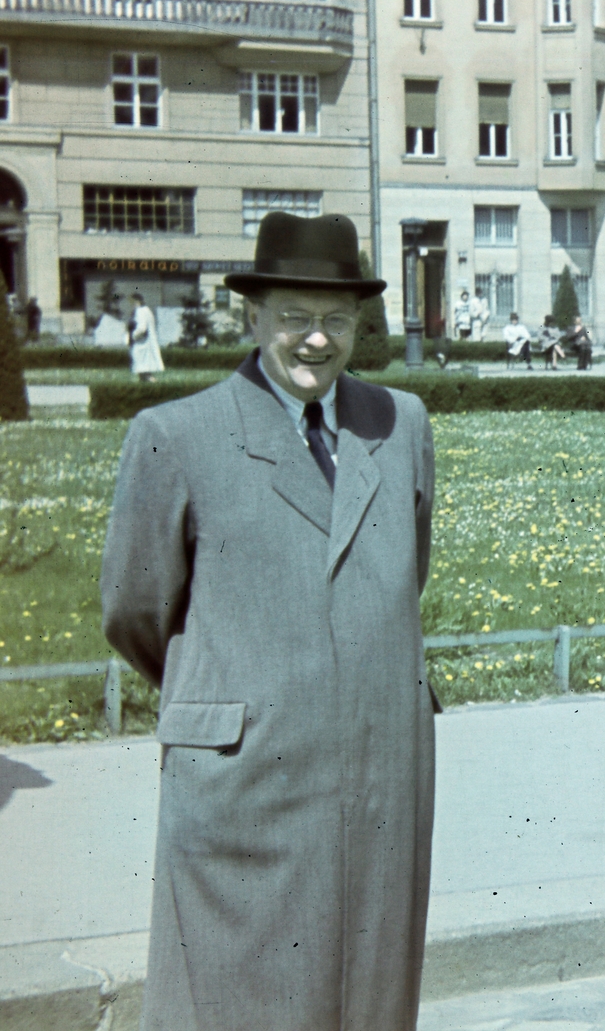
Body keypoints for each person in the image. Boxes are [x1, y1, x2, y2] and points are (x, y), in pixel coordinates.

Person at [99, 212, 437, 1031]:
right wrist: (239, 692)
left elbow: (402, 578)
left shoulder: (401, 426)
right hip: (243, 788)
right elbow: (135, 613)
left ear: (360, 324)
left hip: (377, 775)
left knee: (366, 995)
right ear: (252, 318)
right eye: (293, 317)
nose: (315, 340)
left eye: (335, 320)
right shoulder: (173, 437)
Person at [128, 292, 164, 382]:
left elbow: (141, 328)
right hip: (146, 342)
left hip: (142, 343)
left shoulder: (140, 311)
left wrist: (133, 335)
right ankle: (145, 383)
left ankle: (151, 383)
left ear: (137, 302)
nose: (131, 305)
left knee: (143, 368)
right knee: (144, 370)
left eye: (132, 303)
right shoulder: (147, 310)